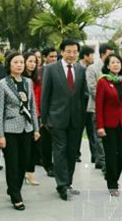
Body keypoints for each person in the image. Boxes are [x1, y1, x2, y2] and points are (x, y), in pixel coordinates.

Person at [41, 39, 88, 201]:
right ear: (62, 52)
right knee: (60, 151)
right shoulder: (50, 69)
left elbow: (84, 95)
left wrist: (84, 116)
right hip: (56, 118)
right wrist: (44, 117)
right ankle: (62, 185)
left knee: (71, 152)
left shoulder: (81, 69)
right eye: (68, 51)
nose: (72, 55)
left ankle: (68, 182)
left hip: (76, 119)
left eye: (75, 52)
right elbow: (45, 95)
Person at [0, 51, 40, 210]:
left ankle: (14, 188)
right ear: (9, 65)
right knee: (12, 163)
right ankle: (16, 195)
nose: (20, 65)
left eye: (22, 62)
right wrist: (0, 135)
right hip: (10, 129)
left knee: (24, 162)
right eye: (16, 62)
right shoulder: (2, 84)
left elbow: (32, 107)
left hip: (26, 128)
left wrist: (36, 128)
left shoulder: (28, 82)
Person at [95, 54, 122, 196]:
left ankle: (113, 177)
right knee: (111, 154)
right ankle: (112, 185)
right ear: (108, 66)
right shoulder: (103, 82)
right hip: (108, 124)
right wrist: (100, 126)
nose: (116, 64)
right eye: (113, 62)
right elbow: (99, 105)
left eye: (118, 62)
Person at [86, 43, 114, 173]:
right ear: (102, 54)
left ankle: (101, 160)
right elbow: (92, 88)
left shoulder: (113, 68)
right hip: (96, 107)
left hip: (111, 109)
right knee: (98, 136)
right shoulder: (92, 68)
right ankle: (104, 163)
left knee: (108, 136)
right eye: (109, 54)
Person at [23, 51, 42, 186]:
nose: (32, 64)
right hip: (23, 115)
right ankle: (23, 171)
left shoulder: (38, 78)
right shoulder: (19, 78)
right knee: (24, 146)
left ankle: (30, 172)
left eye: (34, 62)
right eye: (29, 61)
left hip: (37, 114)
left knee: (34, 145)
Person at [39, 46, 58, 177]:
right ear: (44, 58)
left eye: (56, 56)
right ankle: (48, 165)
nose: (54, 59)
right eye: (51, 56)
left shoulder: (59, 70)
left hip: (57, 110)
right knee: (46, 142)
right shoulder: (39, 72)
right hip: (43, 110)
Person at [76, 45, 96, 163]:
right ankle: (75, 154)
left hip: (89, 105)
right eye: (92, 55)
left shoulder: (91, 68)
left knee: (91, 131)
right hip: (80, 105)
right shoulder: (77, 68)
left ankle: (95, 155)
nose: (93, 57)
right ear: (85, 56)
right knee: (78, 131)